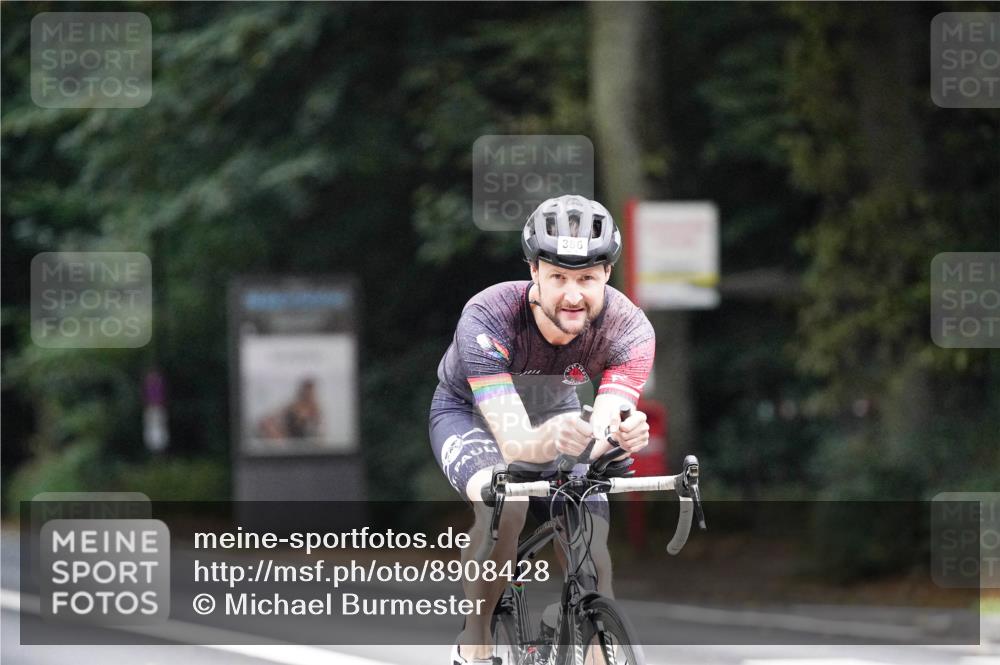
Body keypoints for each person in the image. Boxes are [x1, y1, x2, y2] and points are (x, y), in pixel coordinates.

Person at [428, 195, 655, 665]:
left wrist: (618, 436)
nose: (573, 295)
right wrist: (558, 438)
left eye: (586, 278)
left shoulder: (629, 329)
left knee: (590, 546)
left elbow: (605, 421)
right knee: (506, 506)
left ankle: (585, 630)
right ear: (534, 271)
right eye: (558, 278)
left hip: (558, 415)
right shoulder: (490, 315)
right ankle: (475, 641)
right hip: (471, 416)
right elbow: (515, 444)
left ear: (607, 274)